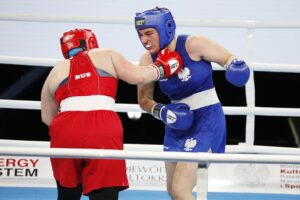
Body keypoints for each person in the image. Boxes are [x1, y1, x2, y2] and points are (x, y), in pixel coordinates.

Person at [40, 28, 183, 200]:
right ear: (91, 41)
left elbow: (47, 117)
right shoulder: (106, 54)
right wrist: (162, 68)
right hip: (101, 125)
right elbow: (137, 77)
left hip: (64, 130)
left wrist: (74, 126)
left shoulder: (56, 70)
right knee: (104, 195)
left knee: (67, 195)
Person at [134, 7, 250, 200]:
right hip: (176, 121)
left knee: (181, 190)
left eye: (149, 33)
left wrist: (235, 65)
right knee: (172, 190)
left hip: (207, 120)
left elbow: (227, 58)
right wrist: (162, 112)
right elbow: (143, 100)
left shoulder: (193, 44)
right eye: (140, 35)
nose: (144, 40)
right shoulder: (147, 60)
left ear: (166, 28)